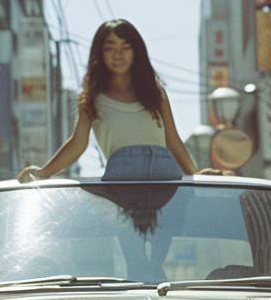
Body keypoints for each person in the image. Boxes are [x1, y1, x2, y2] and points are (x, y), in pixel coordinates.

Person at [18, 19, 201, 182]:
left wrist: (197, 175)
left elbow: (173, 141)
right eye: (110, 48)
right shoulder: (93, 99)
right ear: (100, 53)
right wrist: (44, 172)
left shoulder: (156, 94)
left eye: (126, 47)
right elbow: (78, 143)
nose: (118, 54)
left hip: (165, 189)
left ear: (136, 51)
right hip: (120, 192)